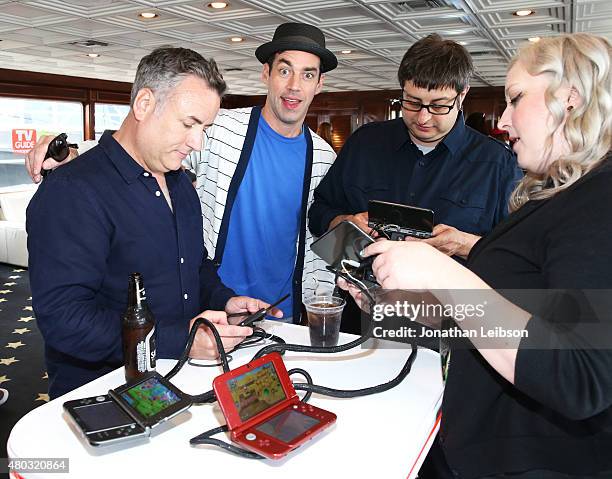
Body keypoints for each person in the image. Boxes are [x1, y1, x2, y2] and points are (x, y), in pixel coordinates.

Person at [344, 33, 612, 478]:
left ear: (570, 98)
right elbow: (519, 313)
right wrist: (393, 308)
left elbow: (581, 375)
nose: (503, 119)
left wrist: (442, 270)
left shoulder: (600, 199)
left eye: (515, 99)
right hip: (479, 449)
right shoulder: (560, 197)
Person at [25, 22, 337, 324]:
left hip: (282, 309)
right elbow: (137, 144)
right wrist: (74, 152)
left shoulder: (324, 157)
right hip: (213, 311)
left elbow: (316, 237)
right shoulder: (220, 128)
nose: (294, 85)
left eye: (307, 75)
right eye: (284, 70)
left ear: (319, 83)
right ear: (267, 74)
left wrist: (316, 299)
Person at [27, 47, 278, 399]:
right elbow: (65, 320)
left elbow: (193, 266)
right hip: (105, 392)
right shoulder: (73, 191)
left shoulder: (179, 182)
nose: (197, 142)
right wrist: (181, 340)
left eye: (204, 127)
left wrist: (224, 301)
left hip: (181, 380)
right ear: (144, 105)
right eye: (189, 124)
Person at [309, 34, 522, 262]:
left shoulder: (498, 163)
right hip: (359, 292)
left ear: (462, 95)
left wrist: (466, 245)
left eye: (439, 106)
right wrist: (341, 222)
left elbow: (520, 252)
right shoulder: (364, 143)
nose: (423, 118)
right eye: (412, 102)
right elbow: (320, 210)